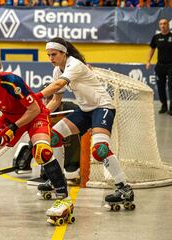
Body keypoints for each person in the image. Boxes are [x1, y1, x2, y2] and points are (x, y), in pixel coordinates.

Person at [0, 51, 74, 225]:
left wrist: (14, 127)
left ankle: (64, 200)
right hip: (10, 118)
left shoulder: (12, 82)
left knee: (43, 152)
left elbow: (34, 109)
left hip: (34, 115)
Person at [36, 37, 135, 207]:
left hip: (102, 107)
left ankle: (124, 188)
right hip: (85, 110)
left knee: (99, 150)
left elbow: (58, 85)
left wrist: (34, 98)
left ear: (64, 53)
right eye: (48, 55)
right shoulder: (57, 71)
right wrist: (38, 113)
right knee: (54, 136)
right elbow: (55, 100)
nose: (51, 58)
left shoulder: (74, 64)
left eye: (54, 54)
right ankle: (56, 181)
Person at [146, 18, 172, 116]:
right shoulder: (156, 37)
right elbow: (152, 49)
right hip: (160, 66)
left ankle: (171, 107)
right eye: (161, 24)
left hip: (171, 65)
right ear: (159, 26)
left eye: (165, 23)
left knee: (171, 86)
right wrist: (148, 61)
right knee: (160, 87)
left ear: (168, 25)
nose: (163, 25)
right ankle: (164, 105)